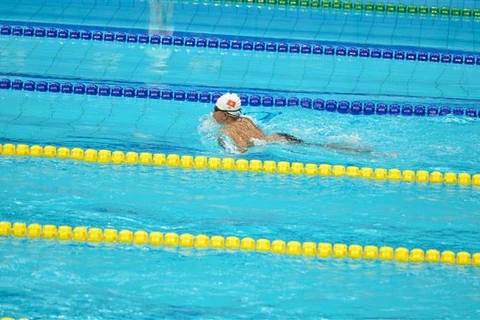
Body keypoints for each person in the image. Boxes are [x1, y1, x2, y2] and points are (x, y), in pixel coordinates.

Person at [212, 93, 377, 154]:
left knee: (317, 148)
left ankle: (362, 151)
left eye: (215, 109)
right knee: (317, 145)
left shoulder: (227, 131)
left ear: (225, 115)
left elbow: (242, 150)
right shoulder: (245, 119)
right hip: (278, 136)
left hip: (276, 146)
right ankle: (360, 149)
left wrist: (221, 144)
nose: (213, 113)